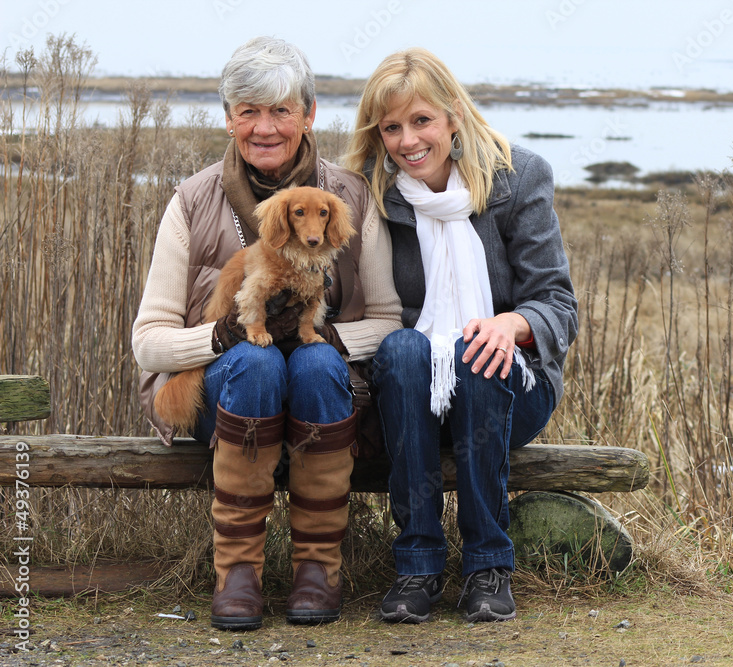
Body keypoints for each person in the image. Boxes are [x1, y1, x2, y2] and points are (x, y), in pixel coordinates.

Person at [132, 37, 401, 631]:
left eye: (281, 110)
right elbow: (148, 342)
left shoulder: (351, 196)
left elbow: (389, 320)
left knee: (309, 365)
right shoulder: (192, 201)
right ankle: (238, 576)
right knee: (258, 365)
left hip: (322, 396)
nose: (265, 128)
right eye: (249, 111)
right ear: (228, 120)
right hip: (226, 396)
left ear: (309, 116)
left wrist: (325, 339)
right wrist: (225, 336)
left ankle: (317, 571)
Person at [344, 48, 578, 623]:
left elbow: (558, 304)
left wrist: (512, 323)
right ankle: (417, 566)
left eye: (421, 121)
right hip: (410, 392)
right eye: (391, 127)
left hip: (508, 388)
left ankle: (487, 565)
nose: (407, 141)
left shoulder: (518, 177)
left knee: (478, 355)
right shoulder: (374, 192)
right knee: (400, 346)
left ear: (452, 115)